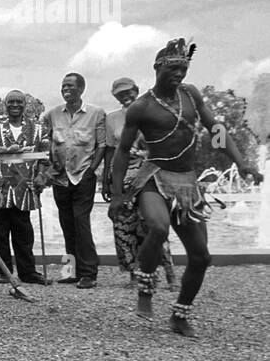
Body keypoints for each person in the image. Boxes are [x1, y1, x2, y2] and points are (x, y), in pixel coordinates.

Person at [109, 39, 262, 337]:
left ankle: (179, 315)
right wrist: (117, 194)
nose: (179, 73)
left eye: (183, 68)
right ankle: (145, 286)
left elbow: (215, 129)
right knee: (158, 228)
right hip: (153, 177)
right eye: (173, 68)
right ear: (157, 68)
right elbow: (123, 151)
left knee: (201, 257)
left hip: (187, 184)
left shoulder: (191, 95)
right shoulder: (142, 107)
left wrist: (240, 162)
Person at [103, 76, 175, 287]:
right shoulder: (112, 118)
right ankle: (136, 274)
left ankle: (169, 272)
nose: (126, 96)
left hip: (150, 174)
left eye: (129, 92)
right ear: (115, 97)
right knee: (124, 226)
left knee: (154, 224)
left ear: (136, 90)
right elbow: (110, 150)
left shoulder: (151, 113)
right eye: (120, 94)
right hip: (122, 175)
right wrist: (108, 182)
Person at [40, 73, 107, 289]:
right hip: (60, 178)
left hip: (83, 176)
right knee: (66, 224)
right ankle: (70, 271)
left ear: (81, 89)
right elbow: (45, 143)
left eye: (70, 85)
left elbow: (102, 145)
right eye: (63, 86)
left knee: (81, 222)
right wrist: (47, 171)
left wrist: (93, 169)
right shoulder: (52, 115)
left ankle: (89, 273)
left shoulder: (96, 113)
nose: (65, 89)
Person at [0, 90, 50, 285]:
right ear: (5, 104)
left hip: (24, 187)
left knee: (24, 232)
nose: (15, 105)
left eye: (19, 102)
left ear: (25, 104)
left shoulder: (38, 128)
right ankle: (3, 271)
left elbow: (45, 156)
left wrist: (41, 176)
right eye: (11, 102)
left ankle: (28, 272)